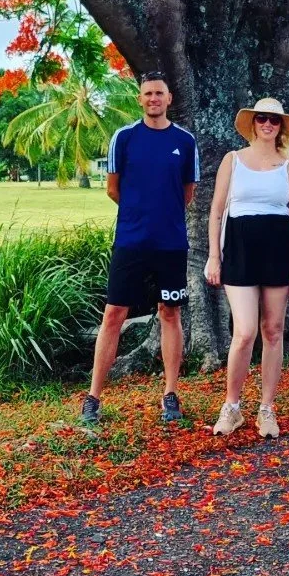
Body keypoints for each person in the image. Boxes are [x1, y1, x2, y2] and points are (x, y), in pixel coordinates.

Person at [81, 72, 198, 427]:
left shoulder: (185, 140)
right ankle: (93, 397)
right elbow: (113, 189)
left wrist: (163, 217)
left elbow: (187, 194)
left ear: (169, 98)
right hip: (130, 242)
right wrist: (139, 215)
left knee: (170, 314)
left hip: (171, 244)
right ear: (140, 98)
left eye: (159, 93)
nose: (153, 99)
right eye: (147, 93)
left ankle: (170, 393)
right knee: (114, 315)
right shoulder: (125, 138)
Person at [204, 97, 289, 438]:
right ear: (253, 122)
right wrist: (214, 256)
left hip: (278, 252)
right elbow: (217, 211)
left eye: (274, 120)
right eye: (262, 118)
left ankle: (267, 408)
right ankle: (231, 406)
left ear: (281, 127)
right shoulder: (232, 160)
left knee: (273, 330)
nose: (268, 124)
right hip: (239, 249)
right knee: (245, 331)